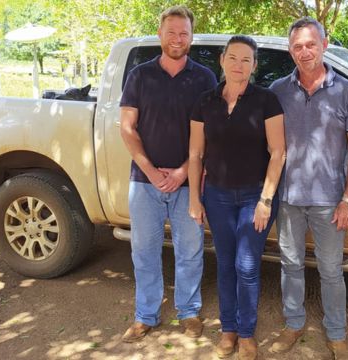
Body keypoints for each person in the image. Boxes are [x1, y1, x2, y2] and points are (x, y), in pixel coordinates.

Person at [268, 17, 348, 360]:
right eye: (297, 46)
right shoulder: (278, 91)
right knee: (290, 265)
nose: (305, 51)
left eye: (311, 44)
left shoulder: (347, 92)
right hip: (289, 199)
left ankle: (337, 334)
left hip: (330, 201)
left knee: (331, 271)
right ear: (290, 50)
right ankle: (293, 325)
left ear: (324, 45)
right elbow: (265, 146)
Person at [119, 5, 217, 343]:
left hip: (188, 183)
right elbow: (127, 128)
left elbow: (210, 133)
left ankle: (188, 311)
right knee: (144, 251)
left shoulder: (204, 78)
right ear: (160, 33)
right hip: (144, 183)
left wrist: (180, 173)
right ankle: (145, 315)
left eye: (184, 33)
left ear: (192, 36)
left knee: (189, 251)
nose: (178, 38)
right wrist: (150, 170)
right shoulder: (140, 76)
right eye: (172, 32)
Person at [188, 35, 285, 360]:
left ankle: (246, 333)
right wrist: (194, 198)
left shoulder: (266, 101)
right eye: (233, 57)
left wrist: (266, 200)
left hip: (254, 196)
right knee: (226, 263)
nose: (239, 64)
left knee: (246, 265)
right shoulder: (205, 101)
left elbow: (278, 152)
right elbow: (195, 153)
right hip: (216, 195)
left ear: (254, 66)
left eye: (246, 60)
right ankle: (227, 329)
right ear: (222, 60)